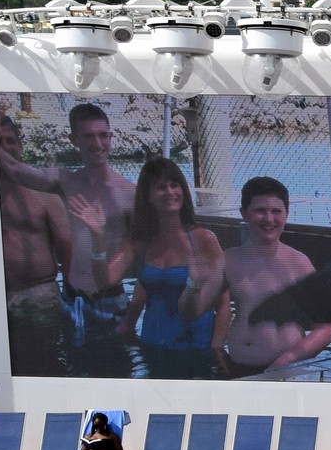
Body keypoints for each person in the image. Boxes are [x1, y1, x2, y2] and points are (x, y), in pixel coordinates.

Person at [72, 157, 224, 375]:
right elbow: (104, 280)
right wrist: (98, 238)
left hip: (196, 348)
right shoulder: (139, 241)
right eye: (161, 187)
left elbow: (224, 302)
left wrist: (217, 349)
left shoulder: (203, 239)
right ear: (148, 196)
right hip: (152, 345)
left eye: (174, 185)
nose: (170, 192)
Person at [191, 177, 331, 378]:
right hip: (238, 367)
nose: (269, 219)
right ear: (244, 213)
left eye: (276, 211)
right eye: (260, 211)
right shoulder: (229, 260)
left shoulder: (299, 263)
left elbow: (325, 328)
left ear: (286, 215)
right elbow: (194, 311)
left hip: (286, 369)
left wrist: (288, 358)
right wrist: (194, 281)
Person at [0, 102, 137, 302]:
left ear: (111, 137)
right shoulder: (64, 182)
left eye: (103, 135)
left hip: (110, 299)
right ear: (74, 140)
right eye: (89, 136)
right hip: (72, 299)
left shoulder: (129, 194)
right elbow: (14, 169)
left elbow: (139, 247)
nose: (97, 144)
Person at [0, 119, 73, 370]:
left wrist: (72, 294)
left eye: (10, 140)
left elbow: (66, 245)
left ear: (20, 146)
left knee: (45, 363)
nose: (5, 147)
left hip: (37, 294)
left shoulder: (41, 191)